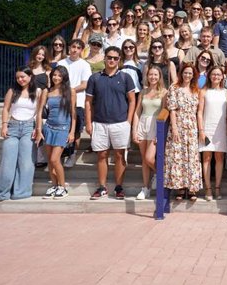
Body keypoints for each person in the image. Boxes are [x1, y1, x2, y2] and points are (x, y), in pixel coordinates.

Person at [85, 46, 137, 200]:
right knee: (102, 155)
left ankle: (119, 187)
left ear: (119, 60)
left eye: (115, 58)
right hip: (100, 123)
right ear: (105, 58)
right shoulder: (94, 78)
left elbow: (132, 100)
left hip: (120, 122)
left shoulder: (126, 77)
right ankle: (102, 187)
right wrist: (88, 123)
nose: (112, 60)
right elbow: (88, 102)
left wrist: (128, 121)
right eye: (109, 57)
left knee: (120, 155)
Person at [0, 67, 40, 201]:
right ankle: (2, 193)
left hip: (29, 128)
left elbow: (39, 112)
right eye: (18, 77)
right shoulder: (12, 91)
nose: (20, 79)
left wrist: (37, 128)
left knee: (26, 162)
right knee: (8, 161)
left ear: (30, 76)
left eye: (23, 77)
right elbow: (6, 109)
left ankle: (21, 193)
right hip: (12, 127)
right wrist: (4, 125)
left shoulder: (38, 92)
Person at [36, 66, 75, 200]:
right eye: (54, 75)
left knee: (55, 159)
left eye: (59, 75)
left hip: (63, 129)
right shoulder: (46, 91)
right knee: (50, 161)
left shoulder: (70, 91)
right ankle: (54, 185)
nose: (56, 77)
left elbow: (73, 114)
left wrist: (72, 132)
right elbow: (40, 111)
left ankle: (63, 187)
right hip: (49, 128)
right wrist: (39, 129)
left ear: (64, 77)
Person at [164, 63, 202, 201]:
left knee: (191, 157)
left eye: (190, 73)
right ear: (181, 73)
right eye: (185, 73)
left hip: (191, 126)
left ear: (194, 75)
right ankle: (180, 188)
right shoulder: (174, 88)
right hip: (178, 125)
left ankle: (191, 188)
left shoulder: (196, 90)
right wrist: (174, 127)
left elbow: (199, 111)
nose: (187, 75)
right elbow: (172, 109)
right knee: (178, 156)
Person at [132, 66, 166, 200]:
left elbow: (164, 112)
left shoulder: (164, 92)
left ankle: (160, 175)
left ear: (159, 77)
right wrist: (134, 130)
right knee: (144, 160)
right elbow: (137, 112)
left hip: (155, 125)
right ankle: (145, 188)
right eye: (150, 74)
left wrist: (160, 133)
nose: (153, 77)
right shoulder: (142, 92)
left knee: (149, 158)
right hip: (142, 124)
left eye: (155, 75)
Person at [198, 66, 227, 202]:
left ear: (222, 76)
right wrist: (201, 130)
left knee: (219, 158)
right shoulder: (204, 91)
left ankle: (217, 187)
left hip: (221, 128)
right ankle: (208, 188)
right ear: (209, 76)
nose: (216, 76)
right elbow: (199, 112)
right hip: (207, 127)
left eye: (218, 74)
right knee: (206, 158)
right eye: (213, 74)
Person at [57, 39, 92, 169]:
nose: (75, 50)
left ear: (81, 50)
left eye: (78, 47)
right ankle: (61, 153)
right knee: (62, 128)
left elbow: (85, 84)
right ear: (69, 48)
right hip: (61, 102)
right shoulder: (61, 63)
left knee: (76, 130)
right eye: (73, 47)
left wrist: (70, 91)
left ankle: (72, 154)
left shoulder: (84, 65)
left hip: (79, 102)